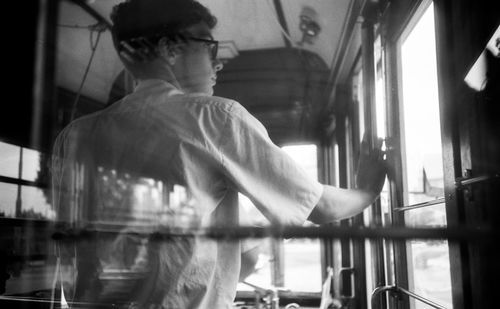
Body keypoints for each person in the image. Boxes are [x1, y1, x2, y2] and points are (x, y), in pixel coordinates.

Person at [50, 0, 386, 308]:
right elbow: (319, 206)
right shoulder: (215, 118)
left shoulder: (74, 134)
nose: (218, 62)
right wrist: (368, 190)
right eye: (209, 47)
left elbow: (76, 255)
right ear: (169, 48)